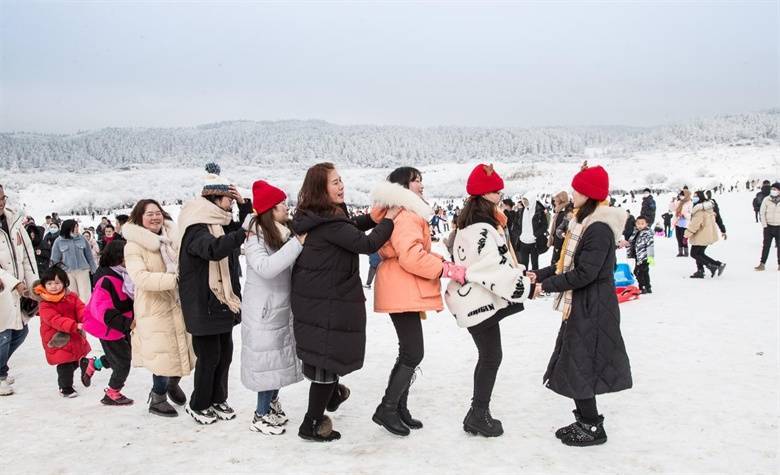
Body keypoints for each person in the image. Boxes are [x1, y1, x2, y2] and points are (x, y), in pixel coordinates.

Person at [291, 162, 398, 442]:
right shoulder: (329, 222)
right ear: (320, 188)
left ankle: (332, 396)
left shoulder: (319, 216)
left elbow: (349, 228)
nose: (341, 186)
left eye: (341, 180)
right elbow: (365, 244)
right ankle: (311, 423)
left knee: (326, 358)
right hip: (327, 303)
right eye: (335, 182)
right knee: (327, 361)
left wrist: (373, 218)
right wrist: (390, 220)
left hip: (319, 299)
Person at [529, 164, 632, 447]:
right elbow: (565, 264)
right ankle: (586, 420)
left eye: (577, 189)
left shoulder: (598, 228)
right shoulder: (582, 223)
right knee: (576, 363)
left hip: (594, 307)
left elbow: (585, 273)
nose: (573, 193)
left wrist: (546, 286)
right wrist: (540, 274)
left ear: (588, 194)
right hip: (583, 305)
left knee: (580, 364)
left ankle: (592, 427)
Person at [370, 167, 466, 436]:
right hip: (401, 286)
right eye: (415, 180)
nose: (421, 185)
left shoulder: (402, 212)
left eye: (421, 180)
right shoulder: (408, 215)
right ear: (403, 186)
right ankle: (387, 408)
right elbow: (411, 256)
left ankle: (398, 407)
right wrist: (443, 269)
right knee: (414, 352)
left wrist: (439, 261)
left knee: (408, 351)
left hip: (399, 286)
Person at [444, 163, 534, 438]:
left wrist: (520, 273)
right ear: (485, 195)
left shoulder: (469, 225)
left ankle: (477, 412)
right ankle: (477, 414)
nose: (500, 195)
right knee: (491, 356)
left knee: (490, 355)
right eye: (496, 191)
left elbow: (488, 265)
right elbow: (491, 269)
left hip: (473, 300)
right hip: (478, 301)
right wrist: (526, 287)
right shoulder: (483, 229)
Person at [177, 164, 252, 425]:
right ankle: (199, 404)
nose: (231, 204)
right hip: (203, 305)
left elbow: (237, 228)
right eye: (228, 200)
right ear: (214, 200)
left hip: (221, 304)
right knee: (209, 358)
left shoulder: (220, 223)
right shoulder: (196, 228)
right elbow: (214, 250)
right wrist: (242, 232)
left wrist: (244, 205)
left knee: (224, 354)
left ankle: (218, 399)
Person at [241, 180, 305, 435]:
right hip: (264, 312)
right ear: (269, 210)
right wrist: (297, 244)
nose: (287, 209)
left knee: (276, 361)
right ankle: (260, 413)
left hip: (279, 308)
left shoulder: (280, 232)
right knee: (266, 363)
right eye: (281, 206)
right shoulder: (255, 236)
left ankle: (272, 405)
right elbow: (266, 268)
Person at [124, 199, 194, 418]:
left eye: (157, 213)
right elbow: (140, 277)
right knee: (163, 354)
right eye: (149, 214)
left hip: (179, 302)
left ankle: (173, 384)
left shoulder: (173, 239)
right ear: (139, 218)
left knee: (184, 349)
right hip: (155, 307)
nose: (155, 217)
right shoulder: (134, 245)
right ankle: (158, 396)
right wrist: (174, 280)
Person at [81, 240, 135, 406]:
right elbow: (102, 309)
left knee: (119, 357)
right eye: (127, 256)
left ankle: (93, 364)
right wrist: (126, 323)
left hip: (122, 326)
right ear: (117, 258)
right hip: (109, 328)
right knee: (123, 362)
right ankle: (112, 393)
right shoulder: (106, 278)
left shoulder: (124, 274)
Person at [0, 185, 39, 396]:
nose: (1, 203)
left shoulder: (14, 221)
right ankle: (0, 375)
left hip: (18, 290)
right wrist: (13, 282)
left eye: (2, 197)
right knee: (3, 333)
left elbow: (27, 256)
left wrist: (33, 283)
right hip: (3, 288)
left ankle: (1, 368)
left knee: (20, 331)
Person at [33, 266, 92, 398]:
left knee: (74, 359)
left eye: (57, 283)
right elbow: (54, 319)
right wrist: (74, 325)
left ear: (65, 283)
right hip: (56, 338)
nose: (53, 286)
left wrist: (85, 319)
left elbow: (80, 308)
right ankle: (65, 387)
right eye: (49, 283)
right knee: (64, 362)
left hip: (74, 333)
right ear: (44, 285)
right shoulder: (45, 303)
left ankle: (82, 364)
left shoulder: (71, 296)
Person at [49, 219, 97, 301]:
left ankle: (86, 313)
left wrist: (94, 269)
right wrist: (57, 272)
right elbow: (54, 259)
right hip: (68, 272)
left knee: (85, 295)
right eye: (75, 227)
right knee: (72, 295)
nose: (77, 229)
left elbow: (89, 255)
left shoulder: (82, 239)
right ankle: (75, 313)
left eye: (77, 227)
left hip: (83, 270)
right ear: (68, 228)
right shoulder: (59, 241)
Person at [685, 191, 726, 278]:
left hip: (701, 234)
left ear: (700, 197)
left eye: (696, 196)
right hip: (707, 234)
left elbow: (694, 225)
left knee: (694, 253)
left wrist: (686, 235)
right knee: (700, 254)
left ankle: (713, 266)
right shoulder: (708, 207)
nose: (694, 197)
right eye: (694, 196)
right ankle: (706, 269)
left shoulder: (699, 209)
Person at [516, 192, 549, 270]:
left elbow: (545, 226)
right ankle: (524, 279)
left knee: (535, 264)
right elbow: (515, 224)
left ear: (531, 200)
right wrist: (520, 234)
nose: (524, 203)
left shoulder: (539, 212)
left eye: (526, 201)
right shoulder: (521, 211)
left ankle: (535, 279)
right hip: (523, 242)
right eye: (523, 201)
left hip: (534, 243)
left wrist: (535, 235)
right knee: (523, 264)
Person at [626, 216, 655, 294]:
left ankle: (642, 287)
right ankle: (648, 287)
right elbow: (631, 242)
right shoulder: (635, 232)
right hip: (638, 257)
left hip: (644, 257)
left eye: (642, 223)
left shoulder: (647, 234)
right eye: (638, 223)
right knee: (644, 272)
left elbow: (650, 245)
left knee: (638, 272)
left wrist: (650, 257)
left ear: (646, 224)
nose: (640, 225)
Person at [756, 182, 780, 271]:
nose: (773, 191)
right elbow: (762, 212)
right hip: (768, 227)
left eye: (775, 189)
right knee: (766, 246)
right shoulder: (766, 199)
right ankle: (762, 264)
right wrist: (765, 225)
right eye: (772, 189)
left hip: (779, 227)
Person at [548, 191, 570, 266]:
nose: (554, 203)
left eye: (556, 201)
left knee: (555, 264)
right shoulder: (560, 212)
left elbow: (560, 231)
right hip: (559, 243)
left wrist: (557, 246)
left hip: (560, 244)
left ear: (560, 201)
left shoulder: (563, 213)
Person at [672, 190, 692, 257]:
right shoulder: (678, 202)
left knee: (684, 238)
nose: (680, 196)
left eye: (682, 195)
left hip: (685, 224)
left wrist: (684, 214)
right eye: (680, 195)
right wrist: (672, 202)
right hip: (677, 222)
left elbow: (691, 214)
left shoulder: (689, 203)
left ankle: (686, 253)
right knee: (678, 238)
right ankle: (680, 252)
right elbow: (672, 209)